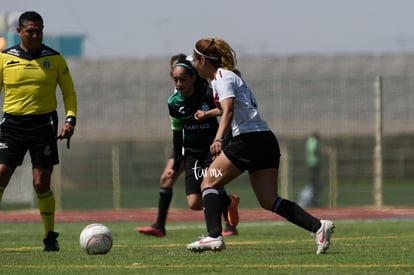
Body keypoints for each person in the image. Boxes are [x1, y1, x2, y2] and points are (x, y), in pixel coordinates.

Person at [186, 37, 334, 255]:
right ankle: (318, 226)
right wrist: (208, 113)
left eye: (195, 61)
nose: (194, 65)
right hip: (264, 139)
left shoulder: (221, 77)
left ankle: (214, 236)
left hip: (247, 141)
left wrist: (218, 139)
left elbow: (228, 111)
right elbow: (232, 107)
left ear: (203, 60)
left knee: (209, 181)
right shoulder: (227, 77)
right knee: (268, 199)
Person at [0, 11, 77, 252]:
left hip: (44, 125)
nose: (35, 35)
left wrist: (70, 120)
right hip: (12, 125)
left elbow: (69, 92)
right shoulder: (4, 58)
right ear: (19, 32)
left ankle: (49, 236)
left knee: (41, 183)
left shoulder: (54, 59)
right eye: (30, 31)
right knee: (1, 174)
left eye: (39, 30)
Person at [137, 57, 239, 237]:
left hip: (211, 151)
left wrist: (213, 126)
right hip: (191, 153)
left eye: (182, 78)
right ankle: (229, 202)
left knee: (210, 187)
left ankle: (215, 234)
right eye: (175, 79)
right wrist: (176, 165)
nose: (178, 83)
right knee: (194, 203)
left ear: (193, 77)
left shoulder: (207, 93)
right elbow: (177, 134)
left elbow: (226, 109)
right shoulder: (174, 102)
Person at [299, 131, 323, 207]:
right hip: (313, 164)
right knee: (312, 184)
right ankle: (308, 201)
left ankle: (312, 201)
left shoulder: (309, 141)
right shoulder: (313, 141)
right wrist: (322, 151)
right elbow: (314, 150)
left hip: (311, 163)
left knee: (314, 184)